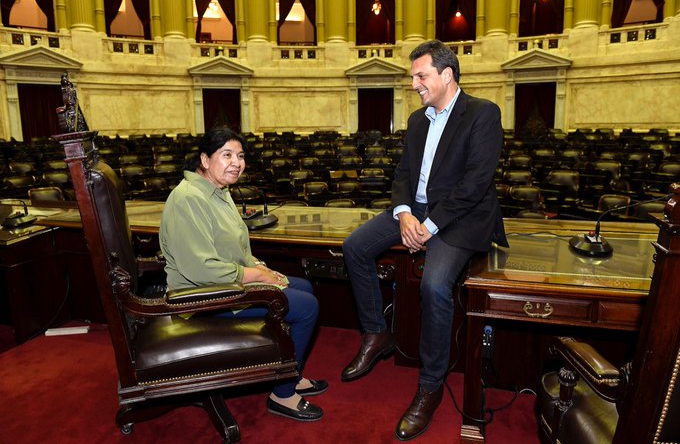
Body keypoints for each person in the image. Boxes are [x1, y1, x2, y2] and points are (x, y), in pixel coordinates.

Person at [341, 40, 508, 441]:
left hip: (461, 219)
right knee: (354, 247)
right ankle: (376, 333)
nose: (414, 83)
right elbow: (403, 174)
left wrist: (427, 227)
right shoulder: (417, 120)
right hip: (414, 213)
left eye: (421, 76)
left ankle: (430, 385)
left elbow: (474, 185)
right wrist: (403, 214)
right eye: (413, 76)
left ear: (446, 75)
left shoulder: (483, 113)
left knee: (434, 285)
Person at [159, 126, 327, 422]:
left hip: (225, 282)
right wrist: (258, 277)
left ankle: (288, 371)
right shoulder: (188, 198)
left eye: (240, 155)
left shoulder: (219, 191)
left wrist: (263, 268)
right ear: (205, 159)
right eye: (227, 155)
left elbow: (236, 249)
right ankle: (283, 393)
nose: (237, 162)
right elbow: (199, 269)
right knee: (306, 307)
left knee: (304, 287)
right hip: (200, 298)